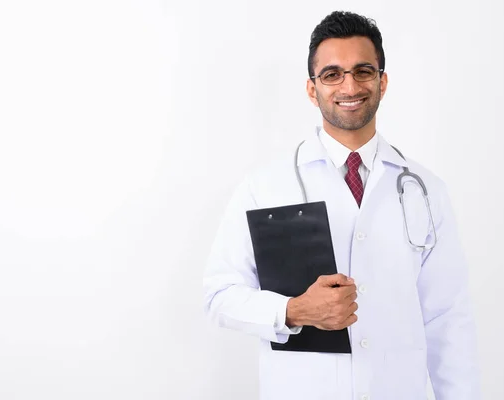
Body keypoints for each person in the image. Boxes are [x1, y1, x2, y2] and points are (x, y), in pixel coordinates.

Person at [202, 10, 480, 400]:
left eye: (363, 71)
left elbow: (448, 320)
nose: (349, 85)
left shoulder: (426, 190)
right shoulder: (263, 187)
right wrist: (293, 311)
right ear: (312, 89)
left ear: (382, 83)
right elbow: (219, 295)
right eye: (332, 74)